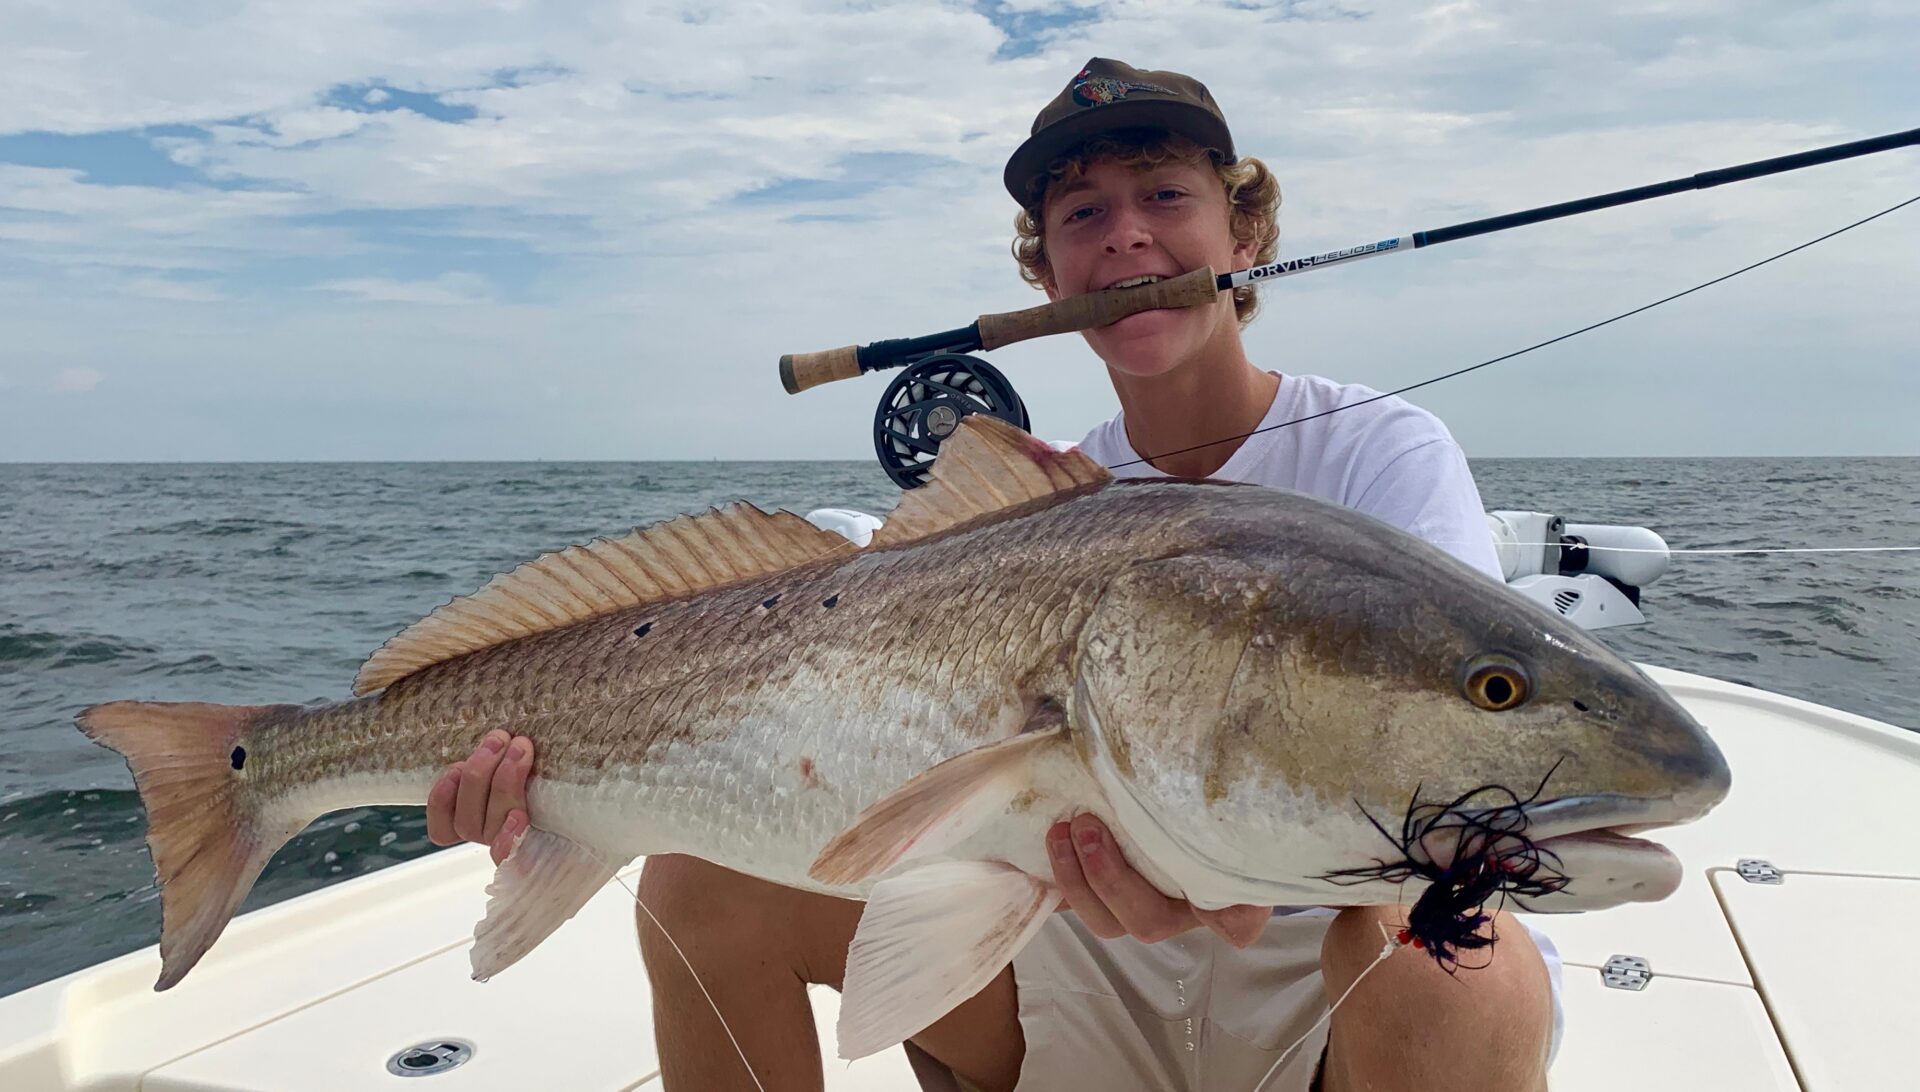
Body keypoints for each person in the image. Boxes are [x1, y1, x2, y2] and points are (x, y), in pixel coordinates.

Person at [426, 58, 1561, 1092]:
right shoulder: (1046, 501)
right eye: (1083, 215)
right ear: (1050, 268)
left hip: (1317, 953)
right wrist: (569, 791)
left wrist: (1220, 869)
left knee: (1458, 955)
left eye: (1166, 194)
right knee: (696, 885)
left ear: (1243, 231)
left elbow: (1462, 768)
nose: (1125, 238)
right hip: (1078, 931)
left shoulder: (1378, 449)